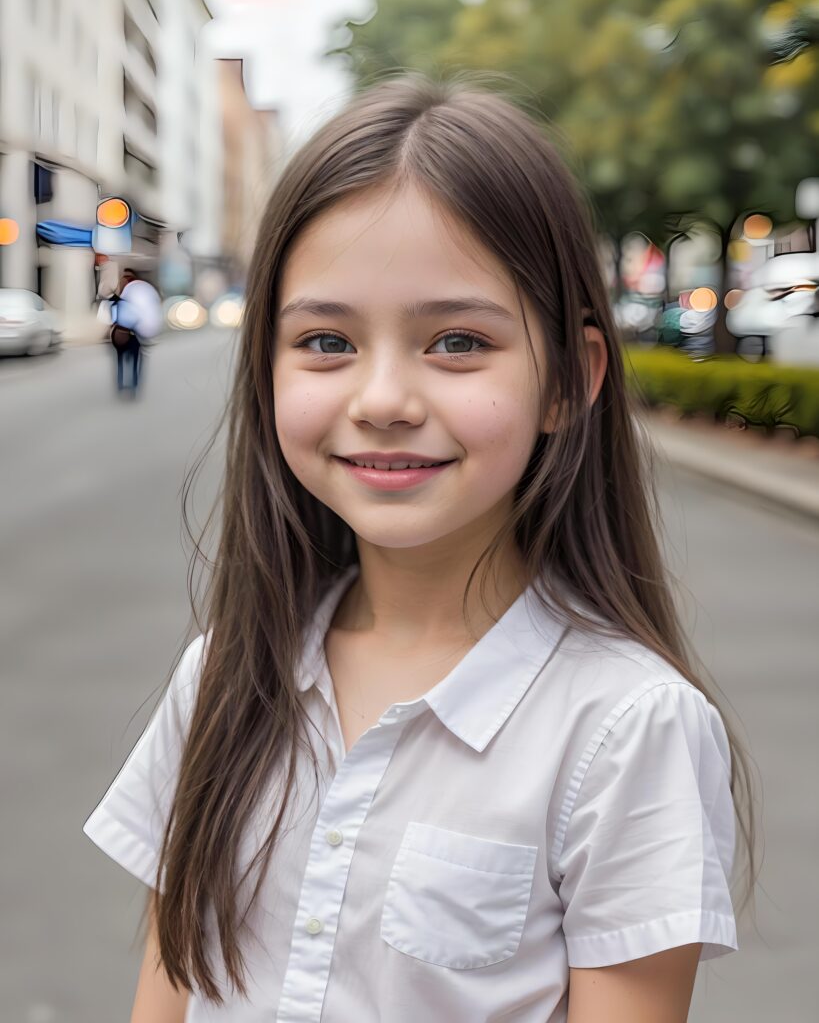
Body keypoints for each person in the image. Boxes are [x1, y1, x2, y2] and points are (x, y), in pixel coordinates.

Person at [83, 73, 757, 1022]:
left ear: (569, 380)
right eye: (326, 342)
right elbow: (169, 986)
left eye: (456, 342)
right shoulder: (224, 677)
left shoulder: (627, 730)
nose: (384, 400)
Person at [110, 267, 162, 392]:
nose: (125, 280)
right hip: (124, 332)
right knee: (125, 358)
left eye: (127, 277)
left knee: (131, 358)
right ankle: (127, 383)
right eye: (124, 277)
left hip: (132, 332)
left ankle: (131, 382)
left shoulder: (134, 292)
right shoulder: (125, 293)